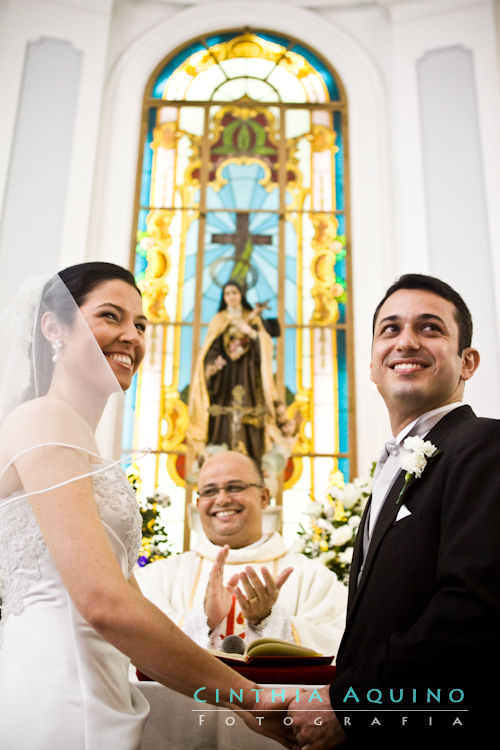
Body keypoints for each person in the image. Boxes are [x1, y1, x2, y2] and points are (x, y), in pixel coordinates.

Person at [0, 262, 294, 750]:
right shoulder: (44, 418)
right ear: (53, 328)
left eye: (140, 325)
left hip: (103, 679)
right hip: (59, 687)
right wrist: (249, 698)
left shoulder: (86, 446)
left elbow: (128, 600)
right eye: (110, 317)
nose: (130, 337)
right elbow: (103, 604)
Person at [287, 274, 500, 748]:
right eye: (390, 329)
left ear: (468, 362)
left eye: (430, 329)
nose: (406, 341)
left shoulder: (484, 446)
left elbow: (472, 607)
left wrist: (352, 704)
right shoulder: (399, 464)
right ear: (371, 365)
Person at [136, 450, 347, 655]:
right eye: (209, 491)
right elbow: (135, 640)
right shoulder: (158, 577)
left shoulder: (313, 578)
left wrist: (268, 620)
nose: (221, 499)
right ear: (198, 504)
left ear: (264, 497)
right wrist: (204, 619)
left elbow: (340, 643)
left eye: (235, 487)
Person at [188, 280, 278, 464]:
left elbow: (266, 345)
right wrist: (213, 364)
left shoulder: (252, 317)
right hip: (224, 381)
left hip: (248, 376)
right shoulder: (219, 319)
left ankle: (251, 463)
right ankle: (220, 462)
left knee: (248, 417)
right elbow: (211, 348)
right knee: (224, 419)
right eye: (227, 293)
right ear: (224, 297)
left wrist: (252, 334)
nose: (231, 297)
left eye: (234, 293)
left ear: (241, 295)